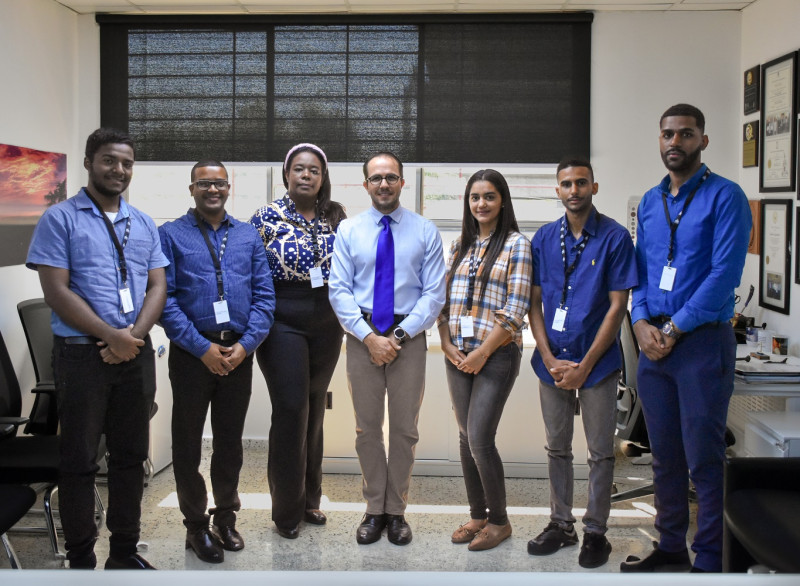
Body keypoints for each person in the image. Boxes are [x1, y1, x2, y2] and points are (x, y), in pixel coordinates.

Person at [26, 128, 168, 570]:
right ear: (89, 162)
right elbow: (56, 291)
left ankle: (124, 552)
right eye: (109, 160)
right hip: (81, 355)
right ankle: (82, 560)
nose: (119, 170)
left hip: (134, 354)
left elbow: (158, 284)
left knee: (130, 457)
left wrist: (133, 338)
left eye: (127, 163)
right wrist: (112, 336)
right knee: (80, 462)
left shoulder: (142, 221)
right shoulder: (60, 218)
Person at [621, 104, 750, 573]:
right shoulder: (651, 203)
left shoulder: (726, 196)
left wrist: (673, 328)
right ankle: (671, 547)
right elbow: (639, 270)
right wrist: (639, 323)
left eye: (686, 134)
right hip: (653, 344)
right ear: (659, 140)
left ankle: (711, 559)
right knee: (664, 459)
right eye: (668, 135)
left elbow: (724, 275)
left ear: (703, 141)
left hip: (699, 344)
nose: (675, 142)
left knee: (704, 460)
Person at [158, 160, 274, 563]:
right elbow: (164, 300)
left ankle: (225, 517)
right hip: (192, 355)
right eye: (204, 183)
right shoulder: (170, 235)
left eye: (219, 184)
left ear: (229, 188)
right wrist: (201, 348)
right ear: (191, 188)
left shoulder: (248, 236)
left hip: (239, 353)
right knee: (187, 442)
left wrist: (244, 347)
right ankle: (195, 526)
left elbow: (265, 298)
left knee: (229, 443)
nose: (213, 190)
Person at [329, 151, 446, 546]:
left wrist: (396, 338)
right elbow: (339, 290)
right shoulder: (349, 231)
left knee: (403, 430)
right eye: (376, 178)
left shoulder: (425, 230)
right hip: (362, 336)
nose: (384, 184)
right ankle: (373, 508)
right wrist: (368, 337)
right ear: (365, 185)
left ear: (402, 182)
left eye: (391, 177)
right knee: (366, 430)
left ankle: (396, 511)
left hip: (407, 339)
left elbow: (433, 295)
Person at [527, 158, 637, 569]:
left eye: (581, 183)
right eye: (566, 184)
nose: (574, 190)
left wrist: (586, 365)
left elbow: (617, 307)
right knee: (556, 447)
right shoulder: (542, 238)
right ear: (557, 190)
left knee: (599, 452)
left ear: (594, 187)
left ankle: (596, 531)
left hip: (599, 364)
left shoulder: (614, 238)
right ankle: (561, 523)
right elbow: (533, 303)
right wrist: (551, 357)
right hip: (551, 363)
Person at [249, 144, 346, 539]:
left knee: (314, 408)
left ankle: (310, 501)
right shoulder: (265, 217)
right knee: (290, 410)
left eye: (314, 171)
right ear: (287, 174)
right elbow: (250, 271)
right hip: (281, 317)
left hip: (327, 319)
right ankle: (285, 511)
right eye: (299, 169)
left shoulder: (336, 217)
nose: (306, 175)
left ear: (322, 178)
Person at [437, 170, 532, 551]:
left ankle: (499, 521)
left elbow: (515, 310)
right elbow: (441, 302)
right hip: (456, 354)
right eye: (474, 197)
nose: (481, 204)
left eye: (489, 196)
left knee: (479, 437)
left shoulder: (517, 245)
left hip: (496, 355)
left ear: (503, 201)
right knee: (465, 437)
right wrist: (445, 343)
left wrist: (482, 352)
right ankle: (478, 515)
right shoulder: (460, 244)